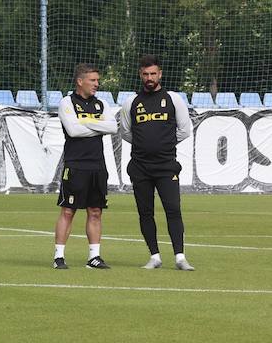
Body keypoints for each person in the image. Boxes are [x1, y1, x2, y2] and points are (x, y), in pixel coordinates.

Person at [118, 55, 194, 270]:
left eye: (153, 73)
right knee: (145, 212)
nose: (149, 78)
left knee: (173, 209)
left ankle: (180, 257)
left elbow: (184, 130)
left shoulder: (173, 99)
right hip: (140, 166)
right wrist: (145, 144)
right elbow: (126, 132)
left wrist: (164, 144)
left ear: (160, 74)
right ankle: (154, 256)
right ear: (140, 75)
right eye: (145, 74)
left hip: (166, 166)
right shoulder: (131, 102)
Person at [53, 63, 118, 270]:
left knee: (96, 211)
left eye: (97, 80)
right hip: (75, 165)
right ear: (80, 81)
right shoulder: (67, 102)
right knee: (68, 210)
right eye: (93, 80)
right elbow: (72, 131)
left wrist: (85, 123)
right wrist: (98, 127)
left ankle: (94, 257)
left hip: (97, 165)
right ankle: (59, 257)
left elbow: (113, 127)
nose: (97, 84)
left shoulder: (102, 104)